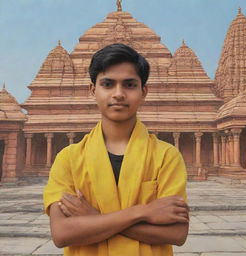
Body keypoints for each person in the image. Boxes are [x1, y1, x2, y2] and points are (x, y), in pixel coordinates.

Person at [43, 43, 189, 256]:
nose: (119, 94)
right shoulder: (69, 158)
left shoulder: (166, 156)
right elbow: (62, 233)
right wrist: (144, 212)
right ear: (93, 90)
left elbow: (177, 233)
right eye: (108, 84)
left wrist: (93, 218)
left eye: (129, 85)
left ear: (144, 91)